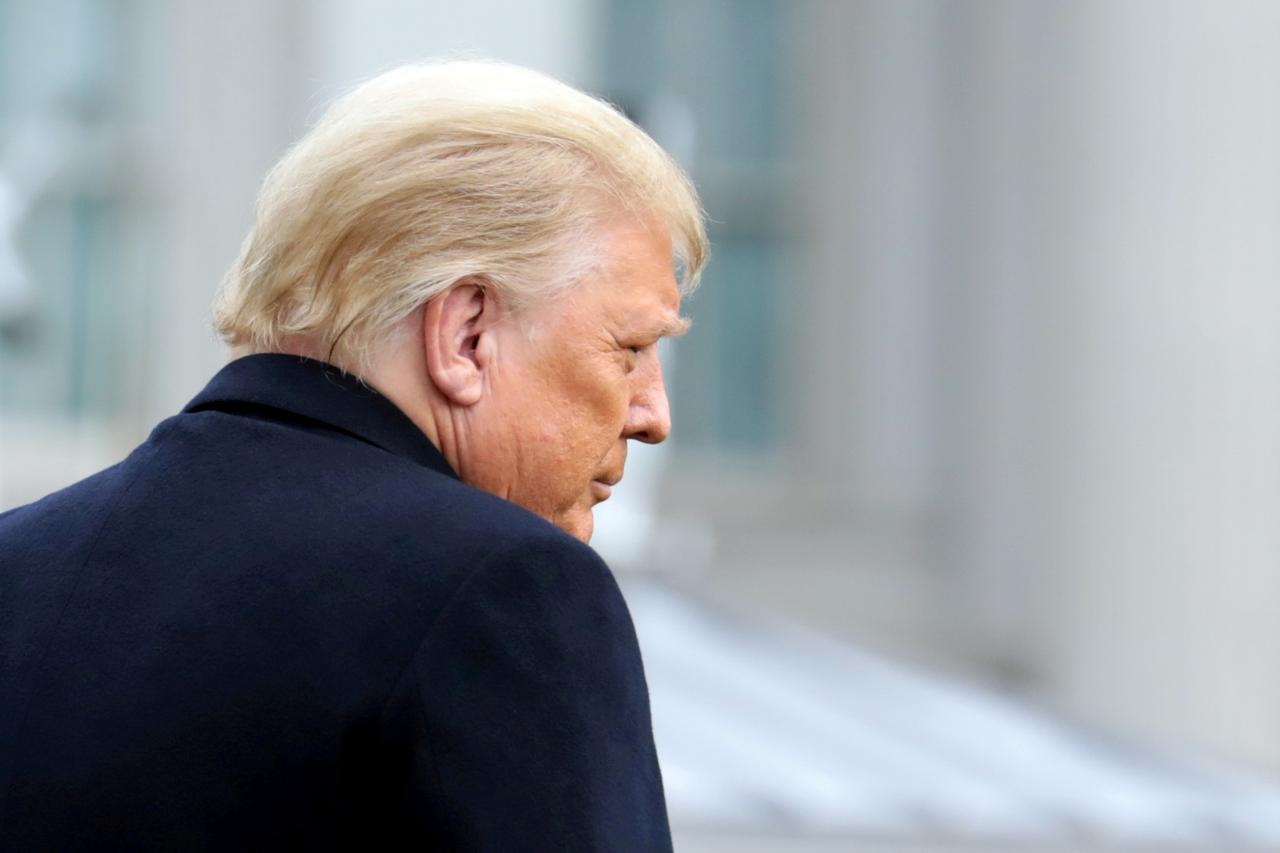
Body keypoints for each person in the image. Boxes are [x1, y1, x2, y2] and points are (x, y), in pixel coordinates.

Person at [0, 60, 706, 851]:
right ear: (466, 335)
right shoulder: (505, 589)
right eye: (629, 348)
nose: (654, 415)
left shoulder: (16, 564)